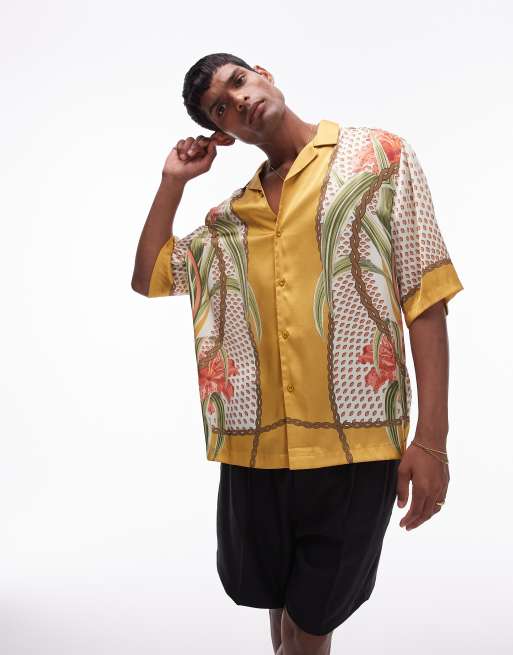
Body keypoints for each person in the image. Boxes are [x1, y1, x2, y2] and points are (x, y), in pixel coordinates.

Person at [131, 53, 463, 654]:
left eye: (238, 82)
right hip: (256, 448)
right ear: (223, 132)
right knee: (281, 610)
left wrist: (432, 441)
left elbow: (426, 297)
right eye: (220, 109)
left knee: (310, 626)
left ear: (263, 72)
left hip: (355, 443)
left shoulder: (379, 158)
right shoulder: (234, 217)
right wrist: (173, 181)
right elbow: (151, 274)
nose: (238, 101)